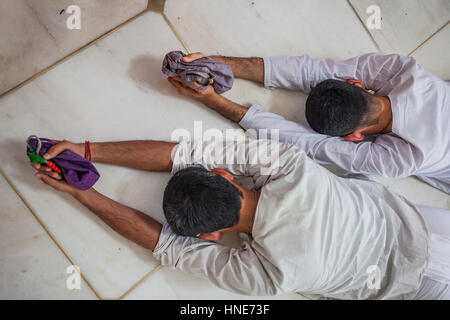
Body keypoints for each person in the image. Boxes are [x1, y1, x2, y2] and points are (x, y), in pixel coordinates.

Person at [31, 137, 450, 299]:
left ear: (212, 235)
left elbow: (168, 248)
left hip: (414, 289)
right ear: (223, 176)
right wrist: (87, 151)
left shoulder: (272, 279)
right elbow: (184, 153)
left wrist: (85, 194)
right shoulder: (292, 165)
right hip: (424, 224)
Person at [167, 52, 450, 193]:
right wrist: (215, 62)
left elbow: (310, 145)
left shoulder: (401, 160)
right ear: (355, 83)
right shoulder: (404, 70)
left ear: (354, 137)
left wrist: (214, 101)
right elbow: (313, 71)